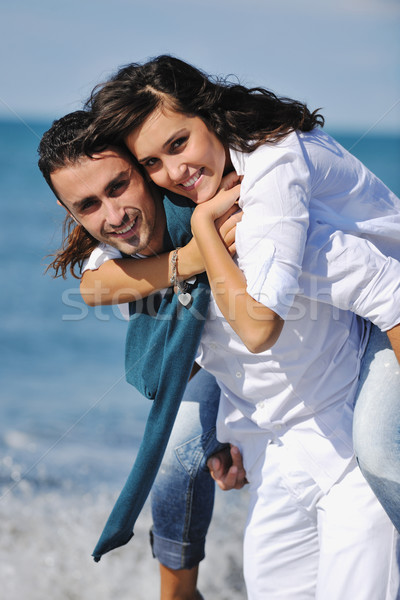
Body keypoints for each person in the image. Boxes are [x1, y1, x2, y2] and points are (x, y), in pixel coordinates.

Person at [39, 109, 400, 598]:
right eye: (87, 205)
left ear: (143, 171)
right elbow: (93, 288)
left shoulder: (257, 227)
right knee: (178, 457)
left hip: (346, 441)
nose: (112, 215)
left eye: (119, 185)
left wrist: (211, 234)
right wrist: (193, 255)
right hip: (274, 456)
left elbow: (384, 289)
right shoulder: (137, 253)